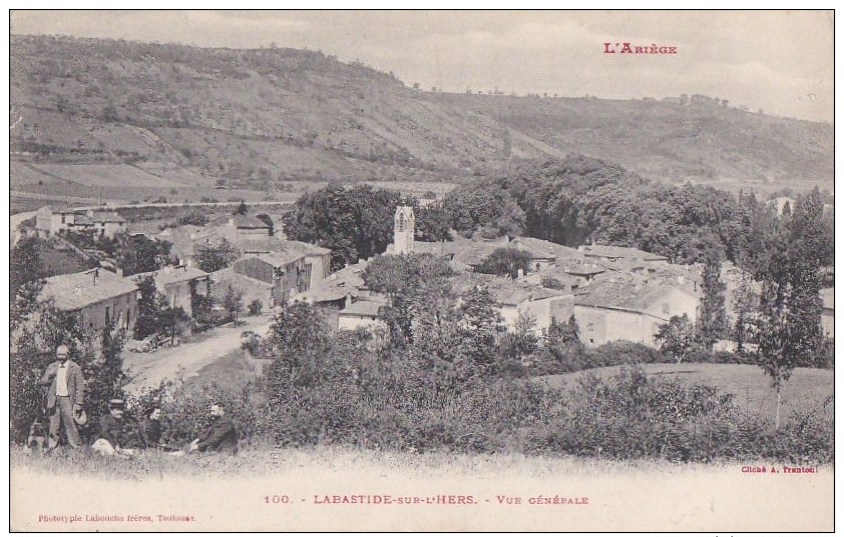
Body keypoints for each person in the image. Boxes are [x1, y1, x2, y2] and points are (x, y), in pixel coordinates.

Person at [39, 344, 85, 450]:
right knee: (54, 425)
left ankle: (76, 447)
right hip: (54, 399)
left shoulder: (75, 367)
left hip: (67, 400)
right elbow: (43, 382)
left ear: (68, 355)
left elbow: (80, 387)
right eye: (58, 354)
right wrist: (49, 376)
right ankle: (52, 446)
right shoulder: (52, 366)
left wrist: (78, 403)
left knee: (70, 423)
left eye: (62, 355)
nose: (60, 357)